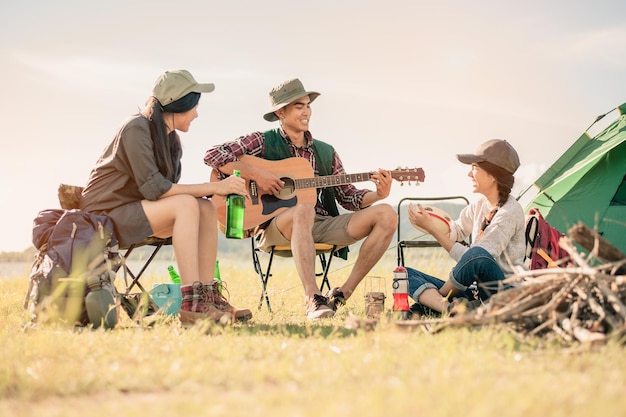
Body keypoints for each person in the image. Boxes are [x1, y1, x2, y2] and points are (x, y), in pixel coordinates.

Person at [204, 78, 398, 320]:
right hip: (277, 227)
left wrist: (379, 194)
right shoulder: (262, 141)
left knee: (387, 213)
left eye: (308, 105)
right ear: (280, 113)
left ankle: (340, 295)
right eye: (298, 106)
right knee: (303, 210)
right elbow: (213, 154)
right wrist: (258, 175)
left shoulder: (325, 151)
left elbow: (348, 196)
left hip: (320, 224)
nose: (306, 111)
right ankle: (312, 298)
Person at [80, 69, 252, 325]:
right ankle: (192, 304)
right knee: (187, 203)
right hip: (104, 218)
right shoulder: (136, 128)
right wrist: (216, 186)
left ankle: (207, 297)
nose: (196, 114)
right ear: (178, 105)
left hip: (137, 211)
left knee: (204, 208)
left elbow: (164, 193)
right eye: (194, 106)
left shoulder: (171, 141)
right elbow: (156, 189)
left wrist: (209, 192)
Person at [405, 139, 526, 316]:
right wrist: (430, 220)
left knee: (476, 254)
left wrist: (434, 231)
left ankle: (435, 302)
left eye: (475, 167)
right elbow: (456, 230)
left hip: (503, 291)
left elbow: (475, 259)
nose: (469, 173)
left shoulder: (509, 212)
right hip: (475, 291)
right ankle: (450, 310)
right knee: (403, 274)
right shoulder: (480, 205)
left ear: (492, 175)